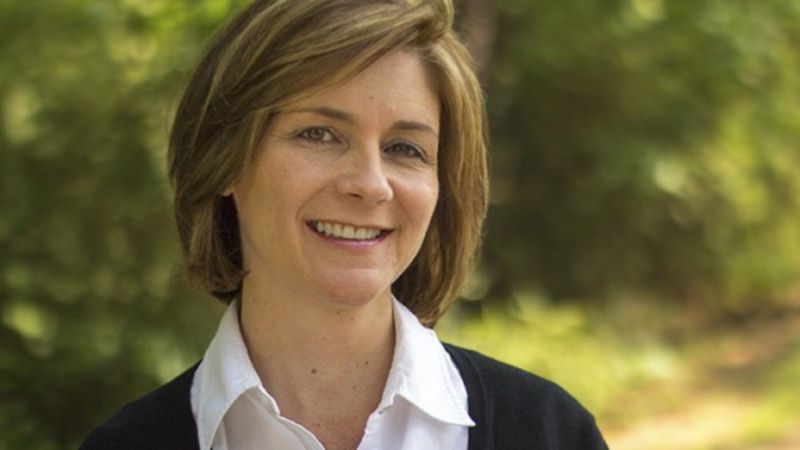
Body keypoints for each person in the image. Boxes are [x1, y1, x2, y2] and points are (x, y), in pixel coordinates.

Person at [80, 0, 608, 449]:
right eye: (320, 134)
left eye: (406, 148)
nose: (371, 184)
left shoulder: (550, 433)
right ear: (226, 159)